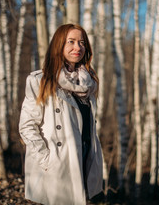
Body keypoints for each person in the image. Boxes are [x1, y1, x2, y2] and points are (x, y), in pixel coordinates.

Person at [19, 24, 103, 204]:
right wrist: (47, 160)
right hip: (59, 163)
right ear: (59, 45)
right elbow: (27, 126)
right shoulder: (39, 80)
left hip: (85, 158)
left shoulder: (89, 82)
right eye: (71, 42)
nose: (77, 47)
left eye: (82, 42)